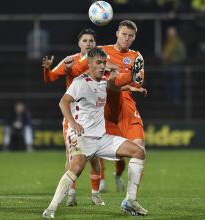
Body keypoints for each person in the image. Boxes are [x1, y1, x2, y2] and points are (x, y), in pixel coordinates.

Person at [42, 47, 148, 218]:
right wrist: (73, 122)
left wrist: (131, 87)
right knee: (75, 169)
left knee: (138, 152)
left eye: (104, 62)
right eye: (98, 63)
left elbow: (114, 86)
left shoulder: (103, 81)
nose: (102, 66)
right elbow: (63, 102)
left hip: (101, 138)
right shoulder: (80, 82)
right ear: (89, 64)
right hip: (81, 136)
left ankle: (131, 201)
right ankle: (51, 209)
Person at [41, 28, 104, 206]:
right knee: (71, 154)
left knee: (94, 156)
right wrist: (47, 69)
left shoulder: (100, 61)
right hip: (74, 114)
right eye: (85, 40)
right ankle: (71, 194)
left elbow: (88, 72)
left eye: (91, 41)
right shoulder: (70, 60)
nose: (88, 43)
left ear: (95, 43)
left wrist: (70, 70)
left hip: (92, 115)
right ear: (79, 44)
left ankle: (95, 193)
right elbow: (50, 78)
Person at [99, 20, 146, 193]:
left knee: (138, 148)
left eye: (131, 36)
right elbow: (91, 68)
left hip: (124, 103)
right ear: (117, 33)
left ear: (134, 37)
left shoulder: (136, 56)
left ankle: (131, 198)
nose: (127, 38)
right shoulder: (102, 51)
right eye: (124, 34)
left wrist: (115, 73)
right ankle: (100, 181)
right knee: (93, 149)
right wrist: (120, 72)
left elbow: (138, 80)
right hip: (101, 103)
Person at [161, 26, 186, 104]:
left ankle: (176, 99)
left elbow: (182, 55)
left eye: (171, 34)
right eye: (168, 34)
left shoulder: (178, 43)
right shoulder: (168, 43)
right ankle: (169, 99)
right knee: (168, 83)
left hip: (175, 66)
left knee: (176, 83)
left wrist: (173, 59)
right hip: (168, 65)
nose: (169, 36)